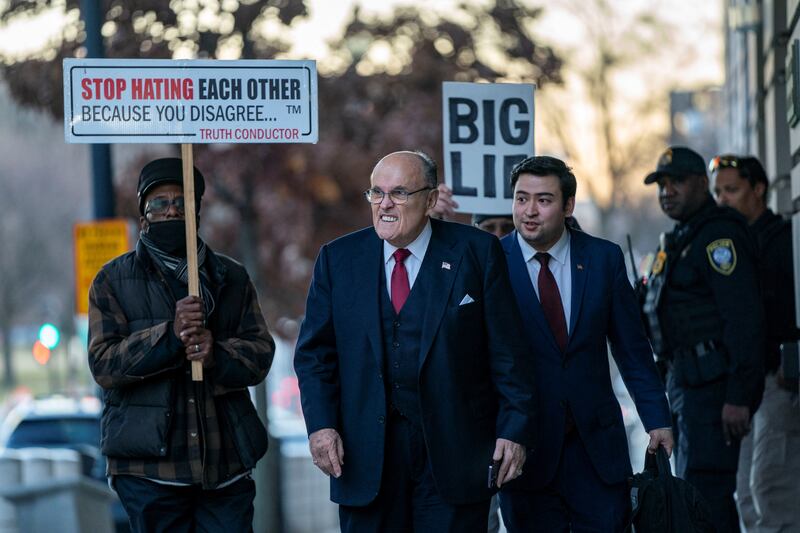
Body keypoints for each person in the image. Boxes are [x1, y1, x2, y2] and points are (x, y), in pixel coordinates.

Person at [293, 150, 535, 532]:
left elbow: (508, 354)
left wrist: (513, 430)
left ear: (431, 199)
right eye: (377, 193)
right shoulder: (338, 260)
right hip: (364, 456)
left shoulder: (477, 251)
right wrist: (321, 426)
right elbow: (314, 357)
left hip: (456, 454)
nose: (385, 204)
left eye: (400, 193)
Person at [88, 158, 275, 532]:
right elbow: (104, 365)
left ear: (197, 212)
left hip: (225, 470)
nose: (172, 209)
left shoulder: (231, 276)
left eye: (182, 202)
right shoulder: (112, 280)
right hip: (149, 472)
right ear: (144, 215)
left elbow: (260, 353)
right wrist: (168, 336)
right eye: (160, 203)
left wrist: (216, 353)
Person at [497, 155, 673, 532]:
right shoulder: (491, 261)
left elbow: (633, 350)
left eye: (543, 200)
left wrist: (657, 419)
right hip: (525, 453)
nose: (529, 211)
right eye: (521, 198)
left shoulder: (602, 259)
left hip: (596, 453)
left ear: (568, 205)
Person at [641, 146, 764, 532]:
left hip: (713, 391)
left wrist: (738, 396)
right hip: (685, 385)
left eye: (676, 181)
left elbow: (744, 318)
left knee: (706, 500)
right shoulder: (679, 238)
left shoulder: (718, 235)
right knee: (690, 496)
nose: (667, 191)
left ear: (700, 183)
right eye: (661, 184)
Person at [711, 154, 800, 532]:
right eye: (717, 191)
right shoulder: (731, 243)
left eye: (731, 190)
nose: (722, 200)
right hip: (745, 384)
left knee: (769, 486)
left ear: (758, 188)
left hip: (779, 380)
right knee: (745, 492)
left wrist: (791, 362)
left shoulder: (784, 238)